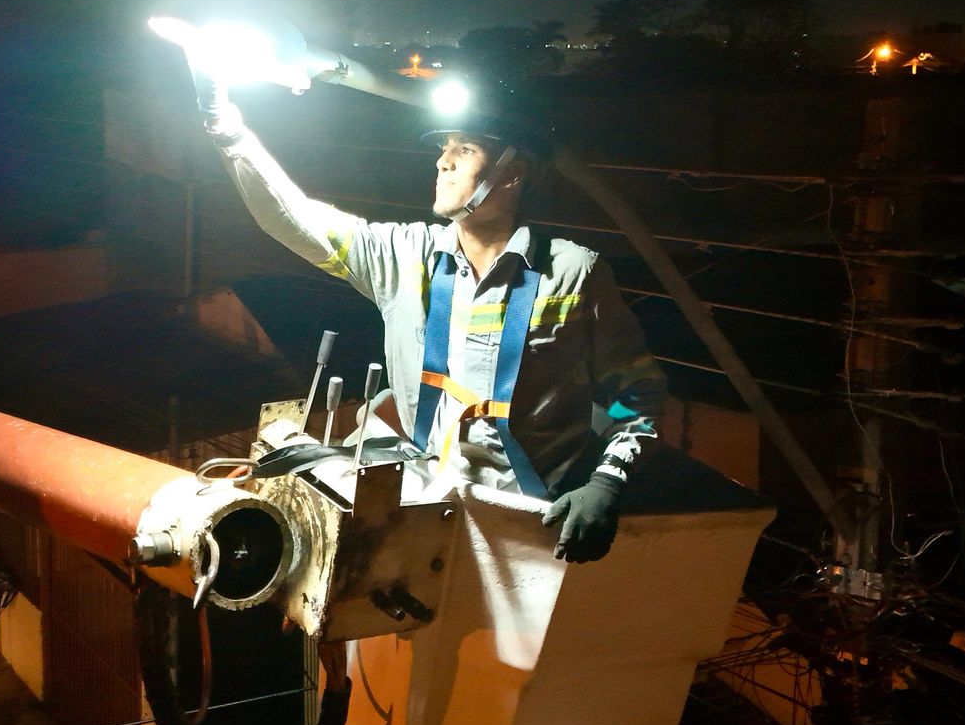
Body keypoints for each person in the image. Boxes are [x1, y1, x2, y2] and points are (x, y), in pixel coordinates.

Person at [190, 67, 666, 563]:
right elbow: (292, 218)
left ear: (513, 172)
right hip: (423, 500)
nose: (443, 161)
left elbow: (636, 395)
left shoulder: (573, 274)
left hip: (528, 521)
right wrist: (226, 128)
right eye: (444, 148)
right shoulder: (405, 256)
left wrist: (607, 481)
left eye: (465, 149)